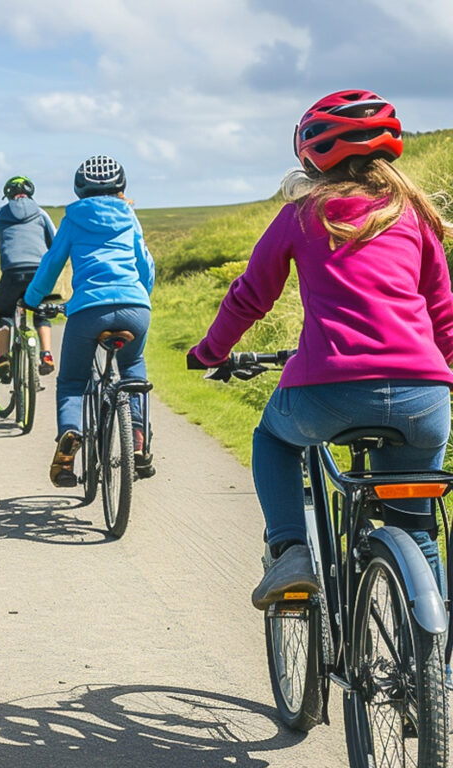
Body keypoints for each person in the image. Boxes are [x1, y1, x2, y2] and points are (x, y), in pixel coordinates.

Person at [188, 89, 453, 610]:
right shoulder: (414, 215)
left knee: (273, 437)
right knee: (416, 527)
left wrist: (211, 351)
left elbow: (250, 296)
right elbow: (443, 312)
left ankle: (289, 550)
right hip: (425, 396)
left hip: (326, 391)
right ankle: (435, 680)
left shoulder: (303, 213)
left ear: (311, 157)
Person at [23, 155, 155, 487]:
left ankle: (70, 437)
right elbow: (145, 263)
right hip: (135, 307)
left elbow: (52, 263)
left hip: (87, 310)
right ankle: (137, 439)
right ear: (121, 187)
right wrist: (142, 294)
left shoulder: (72, 218)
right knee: (133, 366)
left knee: (72, 382)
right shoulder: (130, 215)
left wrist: (32, 298)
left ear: (79, 189)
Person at [0, 176, 58, 382]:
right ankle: (46, 354)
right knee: (41, 311)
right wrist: (50, 277)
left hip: (11, 274)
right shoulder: (42, 214)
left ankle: (3, 359)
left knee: (2, 313)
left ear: (7, 195)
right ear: (31, 193)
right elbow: (56, 246)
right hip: (39, 273)